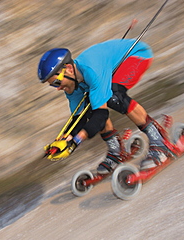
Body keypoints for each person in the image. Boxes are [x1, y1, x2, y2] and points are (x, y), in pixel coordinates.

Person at [38, 39, 173, 174]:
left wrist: (76, 141)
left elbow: (101, 116)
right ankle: (116, 151)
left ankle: (159, 141)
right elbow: (79, 118)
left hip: (137, 55)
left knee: (114, 97)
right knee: (89, 106)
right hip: (111, 67)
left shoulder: (91, 72)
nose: (57, 88)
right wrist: (66, 138)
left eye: (56, 82)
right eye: (53, 85)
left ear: (68, 69)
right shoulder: (72, 85)